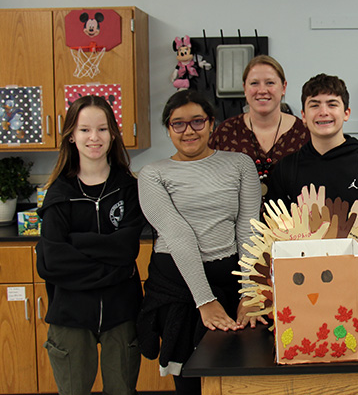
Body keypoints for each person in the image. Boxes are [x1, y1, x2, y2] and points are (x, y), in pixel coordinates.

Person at [136, 90, 262, 394]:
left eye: (197, 121)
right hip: (177, 286)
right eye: (178, 124)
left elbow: (248, 230)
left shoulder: (240, 165)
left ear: (212, 123)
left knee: (238, 376)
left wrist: (249, 292)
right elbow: (177, 234)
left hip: (232, 282)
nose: (188, 130)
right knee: (190, 379)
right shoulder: (152, 174)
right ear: (168, 129)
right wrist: (204, 301)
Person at [36, 96, 145, 395]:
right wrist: (112, 268)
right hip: (70, 316)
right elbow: (53, 261)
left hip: (121, 314)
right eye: (84, 130)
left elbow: (127, 251)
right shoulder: (59, 193)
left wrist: (77, 242)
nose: (94, 138)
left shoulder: (129, 189)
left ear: (112, 134)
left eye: (102, 129)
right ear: (72, 135)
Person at [266, 73, 358, 232]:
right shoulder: (286, 169)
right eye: (314, 105)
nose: (323, 112)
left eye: (332, 104)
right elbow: (275, 235)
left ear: (346, 113)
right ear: (303, 116)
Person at [209, 55, 309, 192]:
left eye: (270, 83)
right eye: (254, 83)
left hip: (292, 213)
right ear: (245, 88)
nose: (262, 90)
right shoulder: (225, 133)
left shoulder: (304, 134)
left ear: (283, 87)